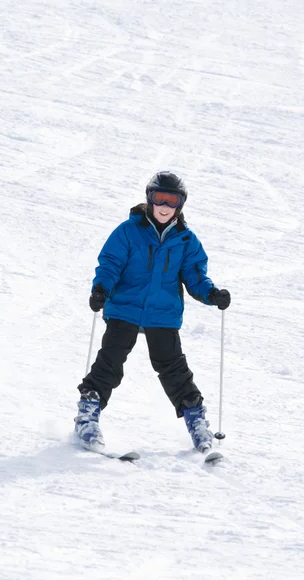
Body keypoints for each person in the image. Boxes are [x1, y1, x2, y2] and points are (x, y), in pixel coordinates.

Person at [75, 171, 231, 453]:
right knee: (110, 361)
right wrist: (101, 289)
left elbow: (195, 276)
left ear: (180, 205)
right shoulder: (128, 231)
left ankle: (196, 420)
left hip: (163, 313)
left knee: (173, 368)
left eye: (172, 201)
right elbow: (110, 263)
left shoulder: (185, 240)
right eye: (160, 198)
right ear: (149, 198)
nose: (165, 206)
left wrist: (211, 294)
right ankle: (88, 413)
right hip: (125, 307)